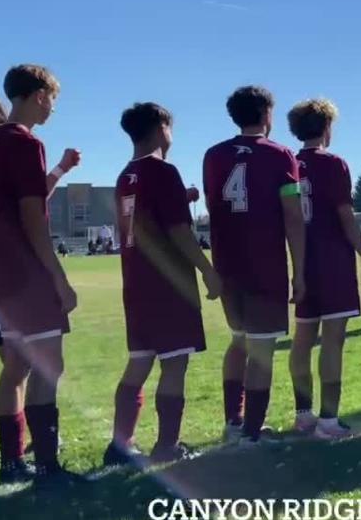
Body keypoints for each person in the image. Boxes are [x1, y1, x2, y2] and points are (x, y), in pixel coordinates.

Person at [0, 90, 79, 480]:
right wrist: (57, 275)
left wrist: (57, 171)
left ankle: (16, 459)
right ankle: (39, 460)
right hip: (8, 277)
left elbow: (30, 198)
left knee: (17, 368)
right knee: (31, 367)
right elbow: (29, 211)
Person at [105, 102, 221, 466]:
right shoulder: (163, 171)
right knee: (174, 365)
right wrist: (207, 269)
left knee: (139, 362)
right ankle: (167, 445)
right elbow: (179, 232)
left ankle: (120, 445)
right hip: (168, 283)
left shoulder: (126, 175)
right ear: (161, 128)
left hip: (136, 282)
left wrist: (181, 199)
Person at [202, 85, 306, 445]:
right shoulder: (281, 155)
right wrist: (300, 271)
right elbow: (293, 217)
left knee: (239, 342)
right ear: (266, 114)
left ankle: (234, 421)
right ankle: (251, 433)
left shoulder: (213, 156)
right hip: (265, 264)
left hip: (228, 264)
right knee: (261, 350)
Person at [288, 98, 361, 440]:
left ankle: (303, 414)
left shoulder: (291, 162)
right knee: (332, 342)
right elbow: (345, 217)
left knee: (303, 340)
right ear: (327, 126)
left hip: (302, 260)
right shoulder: (334, 163)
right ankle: (328, 421)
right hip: (333, 262)